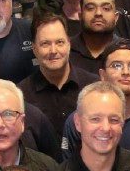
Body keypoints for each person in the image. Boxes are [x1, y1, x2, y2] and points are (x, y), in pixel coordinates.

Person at [17, 10, 97, 143]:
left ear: (69, 45)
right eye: (45, 44)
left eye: (59, 42)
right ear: (34, 49)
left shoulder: (94, 87)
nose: (53, 51)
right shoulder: (20, 96)